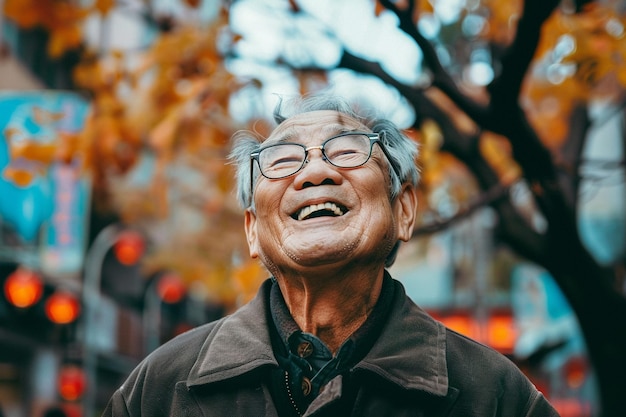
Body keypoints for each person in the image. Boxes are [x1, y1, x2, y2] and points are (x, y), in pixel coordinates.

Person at [102, 95, 559, 416]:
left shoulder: (494, 395)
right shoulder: (158, 392)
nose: (316, 171)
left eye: (346, 150)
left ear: (403, 210)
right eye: (282, 160)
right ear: (253, 232)